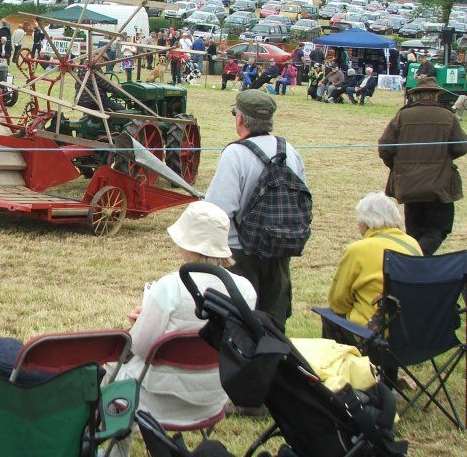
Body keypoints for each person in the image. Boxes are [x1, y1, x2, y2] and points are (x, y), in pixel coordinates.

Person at [112, 202, 257, 453]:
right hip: (213, 396)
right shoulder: (245, 289)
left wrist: (140, 323)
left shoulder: (170, 286)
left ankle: (116, 451)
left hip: (156, 399)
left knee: (109, 375)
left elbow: (141, 347)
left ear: (186, 243)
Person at [206, 90, 307, 326]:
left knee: (240, 325)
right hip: (280, 250)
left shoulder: (236, 153)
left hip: (241, 253)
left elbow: (218, 210)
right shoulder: (289, 150)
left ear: (240, 119)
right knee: (273, 325)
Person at [378, 77, 467, 255]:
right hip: (439, 186)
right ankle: (415, 259)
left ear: (415, 96)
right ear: (435, 96)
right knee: (438, 230)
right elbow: (461, 146)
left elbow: (385, 147)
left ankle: (413, 261)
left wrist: (397, 167)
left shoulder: (402, 115)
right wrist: (445, 156)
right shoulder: (447, 115)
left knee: (414, 233)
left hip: (409, 185)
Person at [324, 192, 421, 340]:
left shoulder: (358, 249)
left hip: (373, 333)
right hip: (412, 330)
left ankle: (342, 361)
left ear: (366, 223)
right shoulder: (412, 243)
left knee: (329, 315)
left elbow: (338, 303)